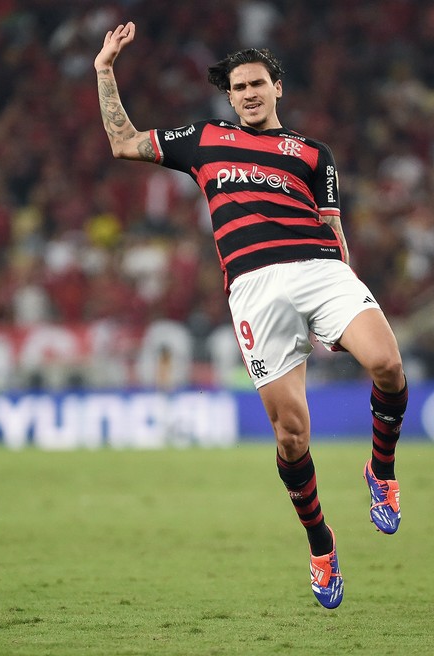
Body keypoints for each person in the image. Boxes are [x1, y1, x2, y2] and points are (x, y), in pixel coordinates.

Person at [94, 23, 408, 609]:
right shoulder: (203, 139)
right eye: (238, 87)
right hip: (255, 290)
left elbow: (335, 230)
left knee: (388, 364)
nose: (248, 93)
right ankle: (321, 545)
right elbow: (123, 142)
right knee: (292, 436)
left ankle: (381, 472)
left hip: (320, 269)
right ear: (230, 96)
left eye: (258, 83)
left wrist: (338, 302)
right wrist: (104, 70)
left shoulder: (314, 154)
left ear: (277, 88)